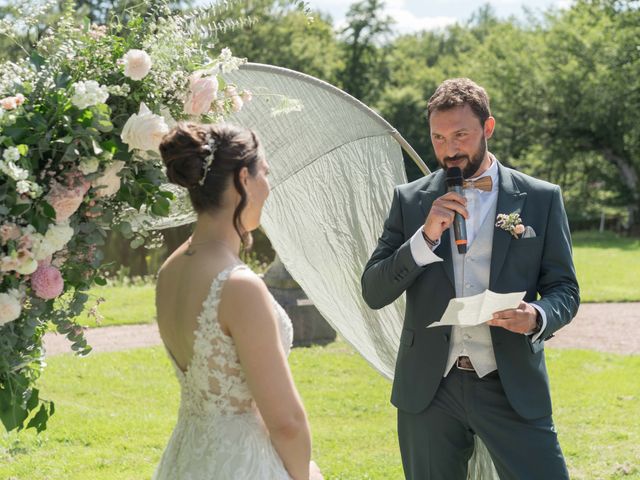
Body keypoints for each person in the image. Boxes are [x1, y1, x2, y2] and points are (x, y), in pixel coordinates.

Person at [361, 78, 579, 479]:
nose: (449, 150)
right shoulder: (410, 200)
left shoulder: (541, 198)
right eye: (438, 138)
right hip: (430, 389)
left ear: (488, 129)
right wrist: (424, 238)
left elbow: (565, 289)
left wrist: (537, 315)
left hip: (509, 384)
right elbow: (374, 290)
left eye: (460, 135)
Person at [153, 122, 323, 480]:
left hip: (187, 458)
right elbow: (286, 422)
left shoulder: (168, 271)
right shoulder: (238, 286)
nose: (268, 186)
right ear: (243, 179)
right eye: (265, 173)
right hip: (243, 465)